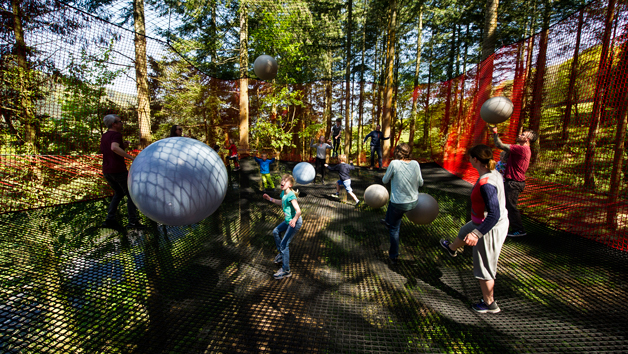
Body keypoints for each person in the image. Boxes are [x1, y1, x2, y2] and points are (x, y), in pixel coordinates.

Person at [439, 144, 509, 314]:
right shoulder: (492, 173)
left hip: (489, 227)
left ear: (475, 159)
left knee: (484, 265)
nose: (469, 159)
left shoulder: (487, 183)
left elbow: (493, 214)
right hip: (481, 221)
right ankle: (452, 248)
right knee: (464, 231)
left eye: (470, 157)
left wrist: (477, 234)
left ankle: (489, 303)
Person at [380, 143, 423, 264]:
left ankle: (393, 255)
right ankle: (387, 221)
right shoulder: (415, 164)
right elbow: (421, 183)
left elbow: (385, 180)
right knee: (393, 201)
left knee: (394, 229)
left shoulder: (394, 164)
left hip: (399, 204)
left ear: (397, 152)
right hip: (413, 202)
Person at [100, 114, 145, 230]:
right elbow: (114, 148)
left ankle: (109, 219)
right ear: (113, 124)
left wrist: (123, 146)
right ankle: (133, 222)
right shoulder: (116, 134)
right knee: (131, 194)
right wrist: (130, 157)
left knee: (119, 193)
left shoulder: (104, 136)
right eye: (119, 121)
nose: (122, 123)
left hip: (107, 171)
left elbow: (111, 149)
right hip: (118, 170)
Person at [491, 126, 537, 237]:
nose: (519, 135)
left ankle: (519, 230)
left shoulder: (521, 149)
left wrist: (495, 133)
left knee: (510, 206)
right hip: (513, 181)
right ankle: (503, 225)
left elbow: (499, 145)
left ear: (527, 139)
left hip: (514, 183)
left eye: (523, 134)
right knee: (506, 204)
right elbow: (506, 157)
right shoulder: (522, 149)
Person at [263, 174, 303, 280]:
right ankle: (281, 254)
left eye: (285, 181)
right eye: (282, 180)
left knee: (284, 244)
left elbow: (298, 211)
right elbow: (282, 202)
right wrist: (270, 198)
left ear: (290, 185)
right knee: (275, 231)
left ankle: (286, 270)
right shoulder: (283, 193)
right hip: (288, 221)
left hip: (295, 221)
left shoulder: (291, 196)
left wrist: (294, 220)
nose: (282, 182)